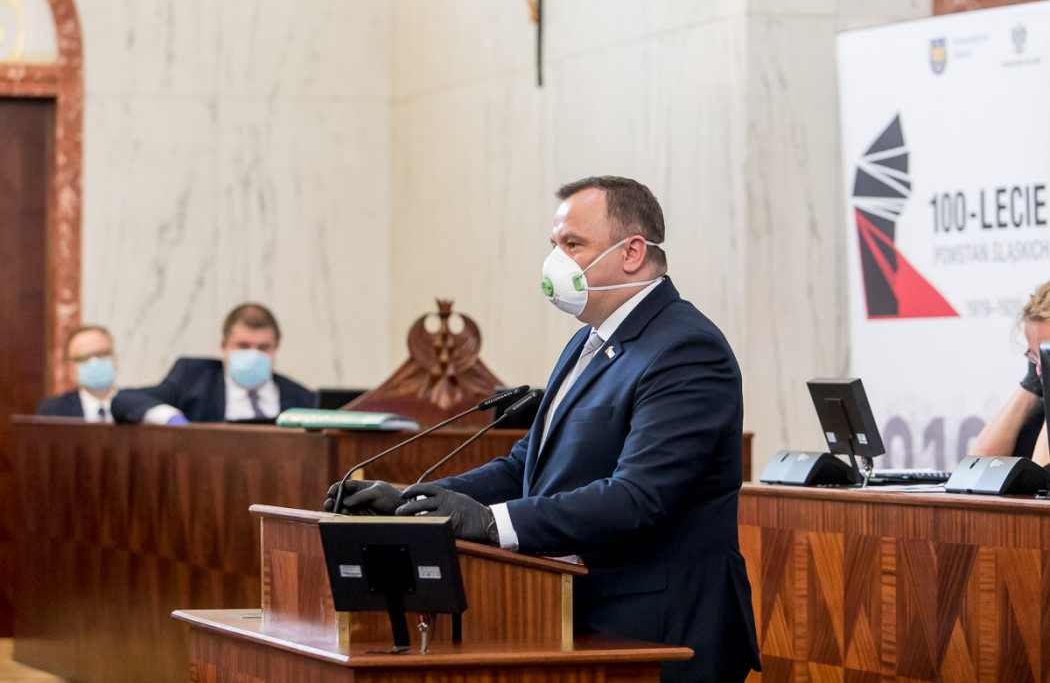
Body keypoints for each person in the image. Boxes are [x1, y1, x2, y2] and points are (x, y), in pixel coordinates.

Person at [326, 176, 761, 682]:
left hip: (657, 629)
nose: (556, 260)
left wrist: (492, 523)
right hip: (577, 614)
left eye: (573, 244)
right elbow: (524, 468)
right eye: (554, 244)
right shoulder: (586, 342)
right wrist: (413, 504)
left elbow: (639, 498)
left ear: (632, 252)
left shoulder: (685, 348)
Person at [112, 303, 316, 423]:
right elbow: (125, 400)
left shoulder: (301, 397)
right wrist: (169, 417)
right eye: (243, 345)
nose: (253, 354)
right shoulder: (192, 379)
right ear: (224, 346)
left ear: (275, 348)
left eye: (263, 347)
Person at [972, 280, 1050, 465]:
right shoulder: (1038, 404)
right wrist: (1031, 384)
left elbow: (1044, 473)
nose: (1039, 367)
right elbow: (979, 464)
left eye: (1046, 354)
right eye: (1034, 355)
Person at [37, 325, 120, 422]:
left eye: (101, 354)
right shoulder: (52, 411)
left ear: (114, 357)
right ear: (70, 367)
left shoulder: (135, 405)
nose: (94, 363)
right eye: (84, 358)